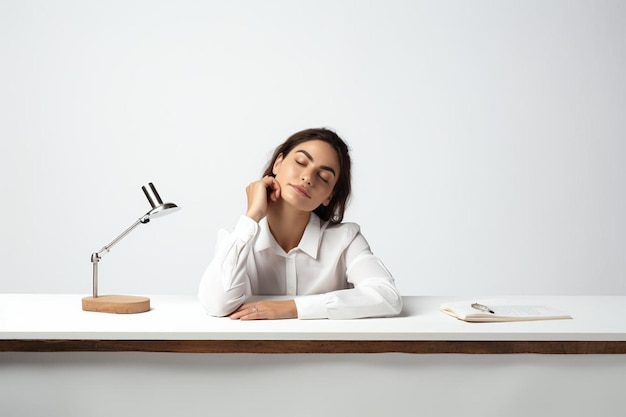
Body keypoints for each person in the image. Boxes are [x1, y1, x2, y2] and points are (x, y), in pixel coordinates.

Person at [198, 128, 402, 320]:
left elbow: (388, 297)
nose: (308, 178)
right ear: (278, 163)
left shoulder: (345, 240)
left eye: (323, 177)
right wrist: (252, 216)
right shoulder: (238, 238)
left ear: (328, 196)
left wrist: (292, 308)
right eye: (301, 162)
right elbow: (216, 304)